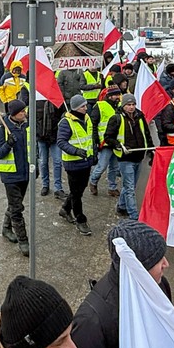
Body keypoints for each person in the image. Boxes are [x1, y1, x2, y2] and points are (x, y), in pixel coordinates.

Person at [0, 99, 32, 257]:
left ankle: (6, 228)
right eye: (22, 111)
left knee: (15, 203)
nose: (25, 113)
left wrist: (34, 166)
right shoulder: (2, 129)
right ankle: (23, 240)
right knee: (17, 208)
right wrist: (8, 144)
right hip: (10, 175)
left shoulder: (27, 126)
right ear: (14, 114)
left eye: (24, 110)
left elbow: (32, 148)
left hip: (25, 173)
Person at [104, 93, 151, 219]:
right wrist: (119, 145)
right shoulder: (116, 118)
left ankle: (121, 206)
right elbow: (108, 137)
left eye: (133, 104)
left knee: (130, 185)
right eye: (128, 104)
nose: (131, 107)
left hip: (139, 156)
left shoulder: (140, 116)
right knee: (130, 188)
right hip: (125, 159)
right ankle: (134, 215)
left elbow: (146, 134)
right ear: (123, 105)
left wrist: (151, 150)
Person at [57, 95, 97, 237]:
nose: (86, 108)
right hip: (73, 163)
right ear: (75, 108)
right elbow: (61, 142)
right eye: (82, 106)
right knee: (76, 193)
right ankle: (80, 220)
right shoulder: (66, 122)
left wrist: (94, 154)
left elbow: (90, 138)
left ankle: (65, 209)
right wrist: (76, 151)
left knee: (80, 189)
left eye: (85, 105)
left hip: (86, 161)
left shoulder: (87, 118)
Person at [89, 87, 122, 197]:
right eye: (116, 95)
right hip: (105, 142)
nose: (118, 97)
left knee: (114, 167)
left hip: (117, 141)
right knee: (102, 166)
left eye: (119, 94)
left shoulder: (120, 106)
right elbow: (93, 124)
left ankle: (112, 187)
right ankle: (93, 181)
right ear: (109, 96)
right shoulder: (100, 106)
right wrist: (96, 140)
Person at [36, 95, 65, 200]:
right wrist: (37, 134)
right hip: (41, 137)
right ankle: (45, 185)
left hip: (55, 136)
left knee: (57, 162)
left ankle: (58, 187)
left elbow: (63, 116)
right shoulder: (36, 102)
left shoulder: (58, 101)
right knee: (43, 162)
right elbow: (32, 120)